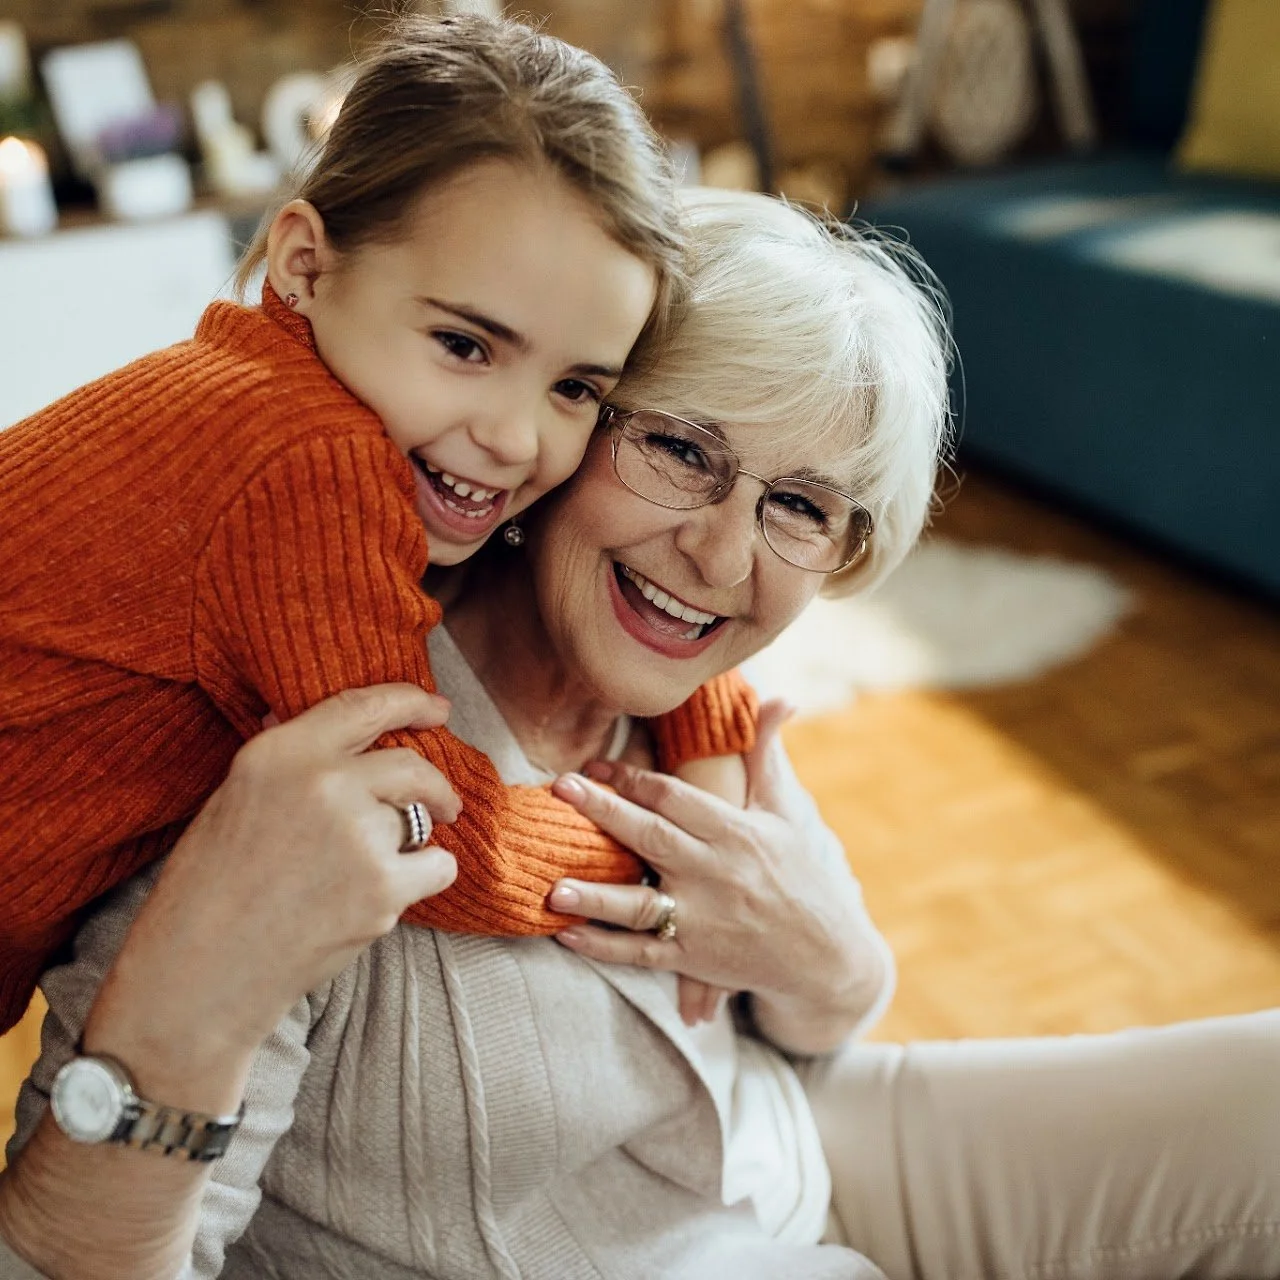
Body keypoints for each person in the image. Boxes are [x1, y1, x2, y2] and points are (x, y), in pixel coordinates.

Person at [3, 190, 1278, 1280]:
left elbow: (823, 1018)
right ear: (566, 425)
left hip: (797, 1155)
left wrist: (828, 953)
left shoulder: (695, 709)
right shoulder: (316, 722)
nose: (722, 556)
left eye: (798, 506)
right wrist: (172, 1018)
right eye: (678, 448)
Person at [0, 13, 760, 1039]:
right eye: (463, 344)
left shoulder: (275, 395)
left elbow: (649, 569)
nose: (511, 436)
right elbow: (430, 827)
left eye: (575, 387)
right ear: (304, 266)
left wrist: (702, 722)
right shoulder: (306, 458)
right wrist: (666, 866)